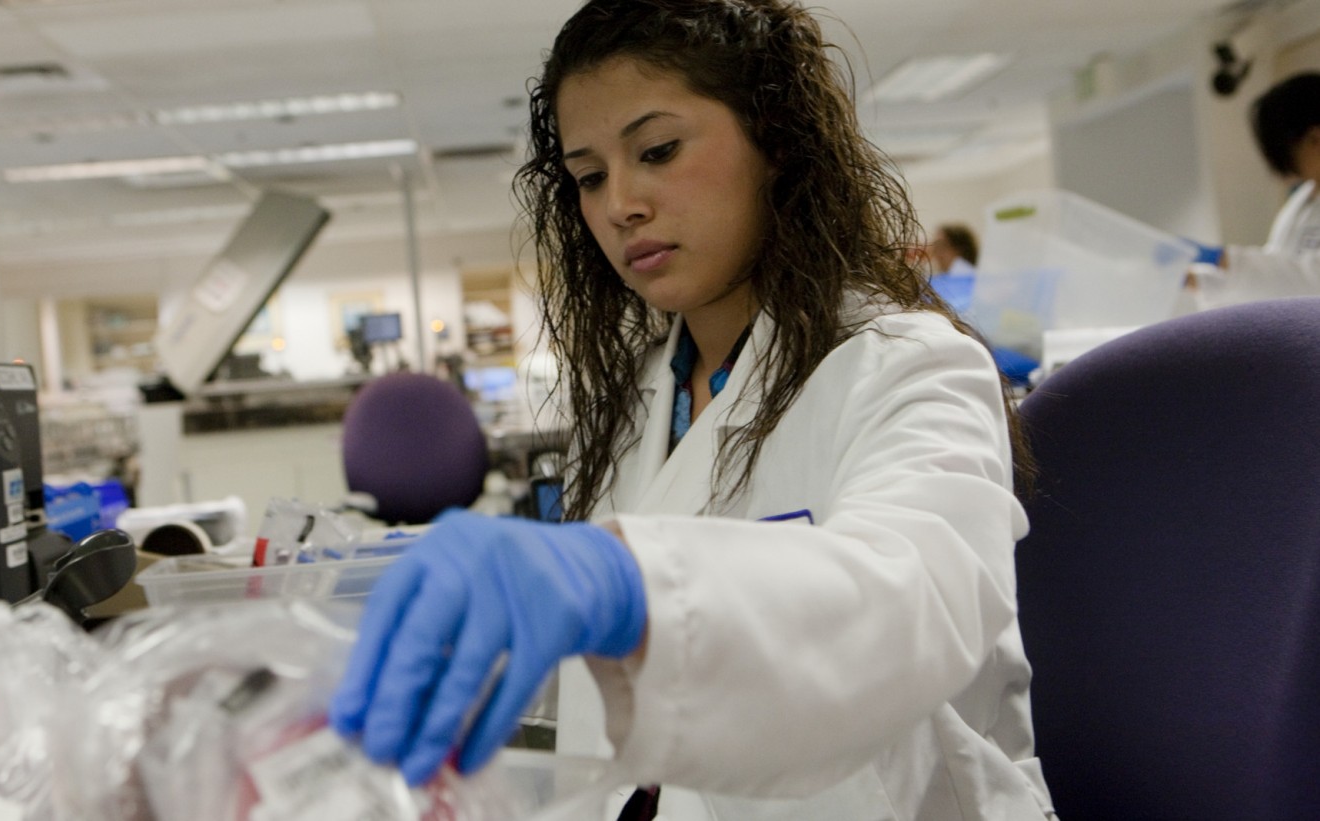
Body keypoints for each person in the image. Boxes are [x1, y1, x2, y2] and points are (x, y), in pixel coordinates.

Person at [330, 1, 1054, 817]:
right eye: (590, 176)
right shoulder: (639, 393)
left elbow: (908, 607)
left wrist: (626, 583)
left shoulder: (912, 364)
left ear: (776, 141)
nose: (620, 205)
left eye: (659, 150)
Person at [1189, 71, 1320, 307]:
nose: (1289, 170)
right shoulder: (1303, 199)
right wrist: (1199, 280)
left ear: (1315, 138)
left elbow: (1311, 284)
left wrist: (1225, 261)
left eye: (1287, 153)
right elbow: (1276, 278)